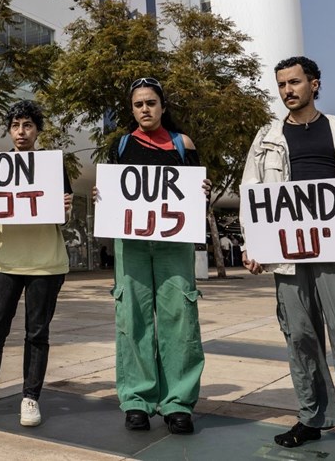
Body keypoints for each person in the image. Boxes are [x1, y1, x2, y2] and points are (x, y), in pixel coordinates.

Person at [241, 56, 335, 461]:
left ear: (314, 84)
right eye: (281, 84)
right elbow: (252, 191)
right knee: (300, 337)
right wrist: (251, 244)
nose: (287, 90)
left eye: (294, 82)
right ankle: (312, 418)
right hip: (288, 253)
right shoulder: (266, 137)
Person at [0, 101, 73, 427]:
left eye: (28, 125)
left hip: (46, 264)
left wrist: (66, 207)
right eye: (16, 126)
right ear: (9, 130)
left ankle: (30, 397)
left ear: (38, 130)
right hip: (4, 262)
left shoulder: (51, 167)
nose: (21, 132)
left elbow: (63, 218)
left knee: (37, 332)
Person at [103, 77, 207, 435]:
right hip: (131, 243)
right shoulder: (120, 146)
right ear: (131, 110)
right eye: (138, 104)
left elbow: (196, 195)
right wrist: (101, 194)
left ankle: (178, 403)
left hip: (174, 243)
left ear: (163, 106)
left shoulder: (183, 144)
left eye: (151, 102)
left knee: (180, 316)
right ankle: (137, 400)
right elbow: (113, 194)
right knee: (132, 317)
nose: (145, 109)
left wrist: (204, 189)